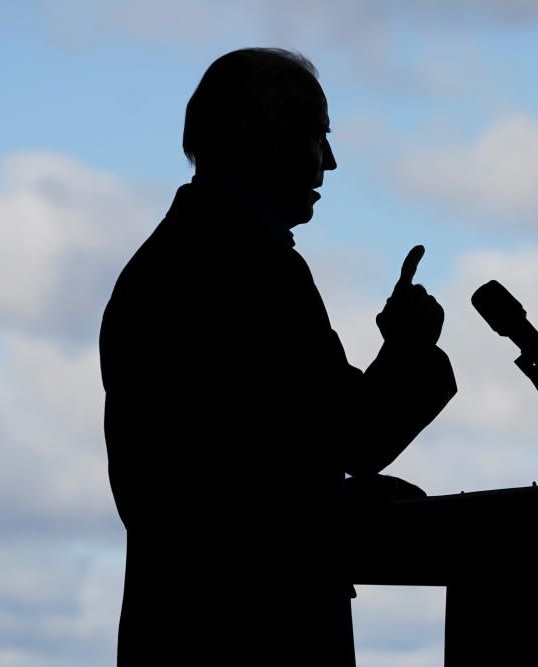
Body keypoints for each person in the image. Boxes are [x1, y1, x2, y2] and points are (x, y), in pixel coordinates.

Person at [99, 47, 457, 666]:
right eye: (318, 135)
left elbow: (236, 467)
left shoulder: (164, 263)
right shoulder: (254, 268)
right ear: (262, 134)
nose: (332, 162)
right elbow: (354, 435)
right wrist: (408, 351)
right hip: (262, 630)